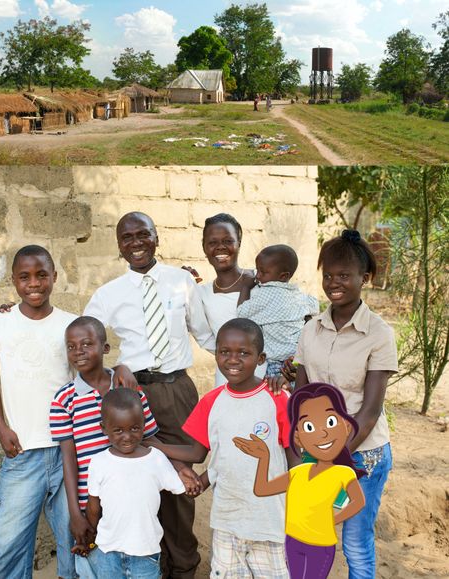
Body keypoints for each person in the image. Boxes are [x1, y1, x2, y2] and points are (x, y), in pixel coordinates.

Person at [83, 211, 216, 579]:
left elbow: (206, 334)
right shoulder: (107, 294)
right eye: (127, 237)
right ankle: (146, 567)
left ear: (157, 237)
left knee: (179, 484)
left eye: (143, 234)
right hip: (131, 396)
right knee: (137, 482)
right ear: (119, 245)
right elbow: (83, 341)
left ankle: (184, 568)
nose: (136, 242)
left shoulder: (181, 282)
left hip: (177, 392)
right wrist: (114, 370)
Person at [150, 318, 292, 578]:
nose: (233, 359)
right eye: (224, 352)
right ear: (216, 354)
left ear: (261, 359)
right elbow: (198, 452)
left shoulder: (278, 399)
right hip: (227, 518)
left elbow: (295, 461)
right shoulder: (211, 402)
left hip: (269, 520)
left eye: (244, 353)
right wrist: (154, 444)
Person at [294, 229, 398, 579]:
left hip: (361, 454)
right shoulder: (311, 330)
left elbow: (368, 413)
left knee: (355, 541)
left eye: (343, 275)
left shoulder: (379, 334)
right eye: (328, 275)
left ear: (363, 278)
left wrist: (333, 458)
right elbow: (302, 393)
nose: (333, 283)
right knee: (310, 535)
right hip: (318, 452)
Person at [0, 245, 77, 579]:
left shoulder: (71, 325)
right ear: (14, 281)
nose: (33, 283)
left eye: (41, 275)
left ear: (54, 278)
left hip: (68, 451)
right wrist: (1, 427)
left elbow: (86, 381)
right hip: (21, 452)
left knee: (75, 543)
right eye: (24, 277)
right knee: (5, 548)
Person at [49, 316, 157, 578]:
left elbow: (150, 441)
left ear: (105, 348)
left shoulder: (128, 388)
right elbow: (69, 459)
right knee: (97, 561)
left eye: (87, 344)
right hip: (91, 503)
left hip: (133, 498)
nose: (78, 352)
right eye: (71, 346)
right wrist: (76, 512)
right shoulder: (64, 399)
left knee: (136, 560)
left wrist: (181, 463)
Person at [234, 382, 366, 579]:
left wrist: (333, 519)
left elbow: (359, 501)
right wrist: (264, 458)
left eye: (330, 422)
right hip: (293, 542)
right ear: (298, 437)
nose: (321, 433)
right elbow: (261, 489)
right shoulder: (299, 472)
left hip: (320, 546)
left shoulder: (343, 473)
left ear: (346, 426)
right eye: (309, 426)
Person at [80, 388, 187, 579]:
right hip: (107, 553)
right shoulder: (98, 462)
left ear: (144, 425)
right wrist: (89, 537)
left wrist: (211, 474)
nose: (127, 436)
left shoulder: (156, 459)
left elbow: (184, 488)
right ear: (103, 428)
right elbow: (93, 508)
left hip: (145, 555)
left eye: (134, 428)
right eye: (118, 430)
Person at [191, 213, 259, 387]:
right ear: (204, 247)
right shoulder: (201, 293)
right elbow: (203, 336)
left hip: (269, 373)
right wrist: (231, 357)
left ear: (239, 243)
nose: (220, 247)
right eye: (213, 242)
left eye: (228, 241)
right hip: (228, 376)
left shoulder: (259, 281)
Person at [237, 244, 319, 378]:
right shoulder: (296, 294)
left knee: (277, 396)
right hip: (298, 359)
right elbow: (314, 306)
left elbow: (241, 314)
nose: (257, 275)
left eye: (263, 272)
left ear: (283, 276)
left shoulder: (264, 295)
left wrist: (245, 288)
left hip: (276, 363)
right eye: (257, 270)